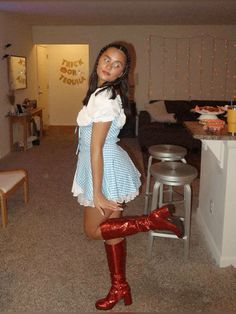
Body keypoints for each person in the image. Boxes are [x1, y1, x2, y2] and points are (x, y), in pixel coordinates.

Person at [72, 42, 184, 311]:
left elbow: (96, 147)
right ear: (98, 59)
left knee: (92, 231)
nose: (109, 65)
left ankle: (152, 220)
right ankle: (119, 287)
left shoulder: (104, 98)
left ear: (123, 72)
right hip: (107, 163)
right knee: (113, 233)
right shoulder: (103, 92)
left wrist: (97, 192)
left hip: (104, 166)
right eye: (107, 59)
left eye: (117, 64)